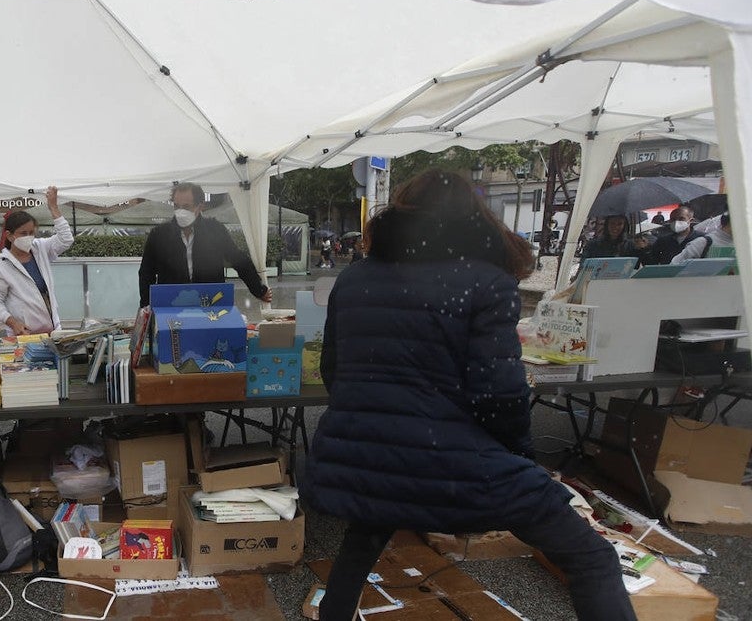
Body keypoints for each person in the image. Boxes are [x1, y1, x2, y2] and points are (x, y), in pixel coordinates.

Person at [304, 169, 634, 621]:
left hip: (365, 452)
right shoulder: (484, 282)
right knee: (592, 558)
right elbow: (498, 394)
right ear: (475, 218)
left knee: (367, 529)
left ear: (400, 213)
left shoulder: (355, 278)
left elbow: (333, 369)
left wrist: (376, 420)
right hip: (449, 459)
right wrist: (519, 458)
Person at [137, 182, 272, 307]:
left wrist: (258, 289)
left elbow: (238, 260)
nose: (180, 211)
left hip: (210, 303)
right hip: (172, 304)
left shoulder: (215, 230)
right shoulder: (159, 235)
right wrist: (146, 306)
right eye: (176, 206)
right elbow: (146, 273)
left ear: (200, 206)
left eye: (186, 207)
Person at [0, 186, 73, 335]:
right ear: (10, 235)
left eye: (31, 233)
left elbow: (66, 240)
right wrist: (12, 322)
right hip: (24, 334)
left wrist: (53, 208)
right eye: (23, 233)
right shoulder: (0, 267)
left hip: (53, 330)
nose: (29, 237)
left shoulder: (41, 248)